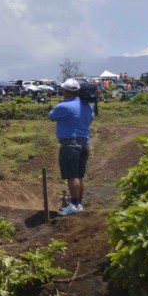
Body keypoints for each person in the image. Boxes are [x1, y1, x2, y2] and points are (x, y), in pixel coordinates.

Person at [49, 78, 93, 216]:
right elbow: (91, 119)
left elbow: (51, 116)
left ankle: (73, 205)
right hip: (84, 142)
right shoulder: (88, 105)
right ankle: (78, 203)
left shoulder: (64, 106)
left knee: (71, 175)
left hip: (70, 143)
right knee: (79, 175)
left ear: (65, 91)